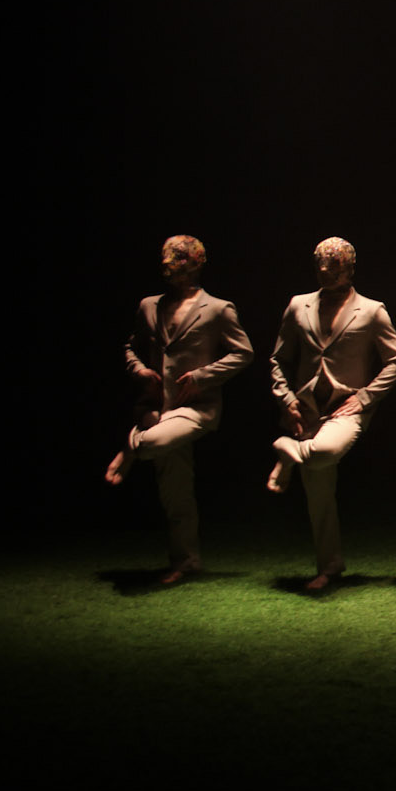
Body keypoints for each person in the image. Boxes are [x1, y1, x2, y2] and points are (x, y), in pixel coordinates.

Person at [104, 235, 254, 583]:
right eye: (167, 258)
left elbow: (243, 353)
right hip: (156, 407)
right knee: (175, 488)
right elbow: (131, 347)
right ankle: (185, 561)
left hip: (195, 408)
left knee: (152, 444)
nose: (170, 265)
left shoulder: (218, 308)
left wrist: (204, 376)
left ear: (197, 263)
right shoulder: (149, 305)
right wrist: (139, 370)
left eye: (179, 259)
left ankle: (130, 447)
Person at [267, 237, 396, 590]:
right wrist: (287, 400)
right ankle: (328, 566)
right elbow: (278, 360)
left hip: (346, 409)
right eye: (321, 265)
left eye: (334, 265)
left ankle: (287, 451)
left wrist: (365, 398)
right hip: (306, 408)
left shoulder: (372, 310)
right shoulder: (298, 305)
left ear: (350, 267)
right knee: (318, 490)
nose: (326, 272)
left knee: (325, 452)